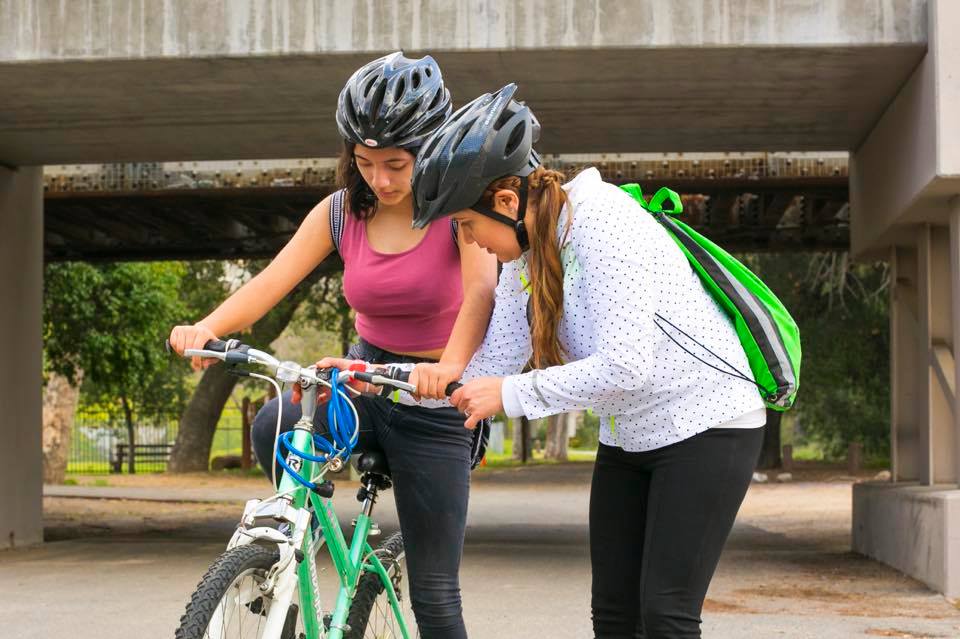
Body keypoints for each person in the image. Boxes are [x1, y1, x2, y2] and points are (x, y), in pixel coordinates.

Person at [410, 83, 767, 638]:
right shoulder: (523, 257)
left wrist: (508, 395)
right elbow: (494, 363)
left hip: (709, 424)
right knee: (615, 617)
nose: (468, 240)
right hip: (630, 435)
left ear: (505, 202)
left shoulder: (604, 224)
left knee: (666, 615)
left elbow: (625, 366)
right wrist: (386, 380)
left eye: (464, 223)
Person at [168, 53, 497, 639]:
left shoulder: (458, 212)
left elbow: (482, 293)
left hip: (435, 397)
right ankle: (292, 557)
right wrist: (208, 327)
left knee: (437, 595)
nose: (382, 179)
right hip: (361, 380)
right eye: (365, 163)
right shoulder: (342, 212)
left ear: (433, 148)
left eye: (396, 163)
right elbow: (271, 281)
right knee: (278, 421)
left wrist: (447, 370)